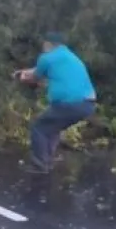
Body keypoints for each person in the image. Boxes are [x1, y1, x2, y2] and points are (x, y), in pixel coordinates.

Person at [13, 32, 96, 174]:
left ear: (47, 44)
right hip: (88, 104)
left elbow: (35, 77)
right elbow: (40, 70)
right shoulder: (70, 56)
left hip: (70, 103)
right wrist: (24, 71)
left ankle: (39, 165)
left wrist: (22, 77)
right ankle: (47, 162)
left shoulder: (46, 57)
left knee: (39, 128)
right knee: (51, 129)